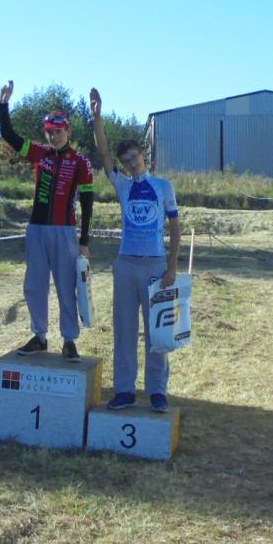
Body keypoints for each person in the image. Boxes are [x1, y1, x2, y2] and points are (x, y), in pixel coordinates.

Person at [90, 88, 181, 413]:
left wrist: (172, 266)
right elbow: (103, 154)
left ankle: (157, 391)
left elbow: (175, 227)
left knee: (157, 330)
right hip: (126, 264)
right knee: (125, 330)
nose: (130, 163)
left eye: (134, 157)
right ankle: (125, 390)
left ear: (143, 154)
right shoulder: (123, 185)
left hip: (155, 265)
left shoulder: (163, 186)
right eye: (126, 160)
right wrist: (97, 118)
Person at [0, 80, 94, 362]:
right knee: (35, 285)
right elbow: (9, 135)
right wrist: (3, 104)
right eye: (50, 132)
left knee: (66, 286)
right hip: (37, 229)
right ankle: (39, 336)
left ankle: (69, 340)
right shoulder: (39, 153)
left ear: (68, 131)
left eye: (58, 132)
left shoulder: (81, 162)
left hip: (65, 230)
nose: (54, 137)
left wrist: (84, 241)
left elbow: (88, 203)